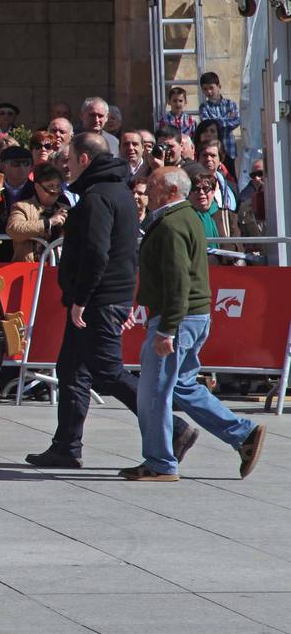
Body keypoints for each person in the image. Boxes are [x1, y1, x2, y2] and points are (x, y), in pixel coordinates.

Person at [26, 133, 195, 469]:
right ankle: (66, 446)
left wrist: (82, 299)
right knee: (72, 370)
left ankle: (174, 428)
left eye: (70, 159)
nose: (66, 166)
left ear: (85, 159)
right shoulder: (115, 191)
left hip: (98, 299)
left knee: (107, 371)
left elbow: (96, 253)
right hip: (104, 296)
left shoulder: (99, 197)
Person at [121, 166, 266, 481]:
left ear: (171, 191)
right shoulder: (183, 218)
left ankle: (160, 462)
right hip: (194, 316)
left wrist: (166, 329)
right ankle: (243, 434)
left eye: (156, 185)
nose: (149, 190)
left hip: (178, 317)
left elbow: (177, 283)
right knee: (182, 385)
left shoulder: (172, 225)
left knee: (155, 391)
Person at [5, 163, 69, 262]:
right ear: (37, 187)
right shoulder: (21, 207)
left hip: (59, 268)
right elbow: (13, 229)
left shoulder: (66, 209)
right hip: (29, 269)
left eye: (58, 186)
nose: (55, 191)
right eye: (51, 186)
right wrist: (49, 223)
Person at [198, 71, 239, 161]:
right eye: (205, 89)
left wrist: (216, 122)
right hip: (213, 149)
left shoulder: (231, 104)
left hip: (229, 148)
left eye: (211, 88)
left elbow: (236, 121)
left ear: (219, 87)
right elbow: (208, 124)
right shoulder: (204, 107)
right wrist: (227, 118)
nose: (209, 91)